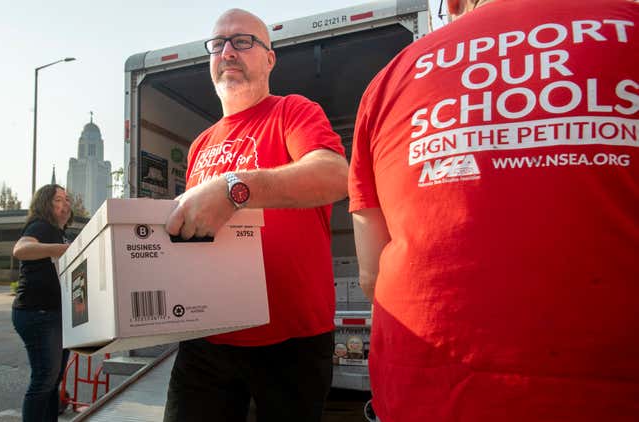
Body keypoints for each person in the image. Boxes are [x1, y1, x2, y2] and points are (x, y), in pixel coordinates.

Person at [348, 0, 639, 421]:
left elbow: (372, 272)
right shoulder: (628, 29)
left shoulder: (392, 78)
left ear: (453, 4)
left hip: (428, 397)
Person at [163, 8, 348, 422]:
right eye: (218, 44)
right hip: (205, 337)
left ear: (269, 58)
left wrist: (234, 190)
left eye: (243, 41)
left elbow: (336, 175)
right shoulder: (200, 144)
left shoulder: (293, 112)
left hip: (291, 341)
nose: (228, 51)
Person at [12, 184, 72, 422]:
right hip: (37, 313)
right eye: (59, 199)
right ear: (45, 203)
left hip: (56, 315)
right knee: (44, 379)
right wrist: (62, 249)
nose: (65, 204)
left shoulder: (59, 232)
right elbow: (20, 249)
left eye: (67, 199)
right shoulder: (40, 226)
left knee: (53, 380)